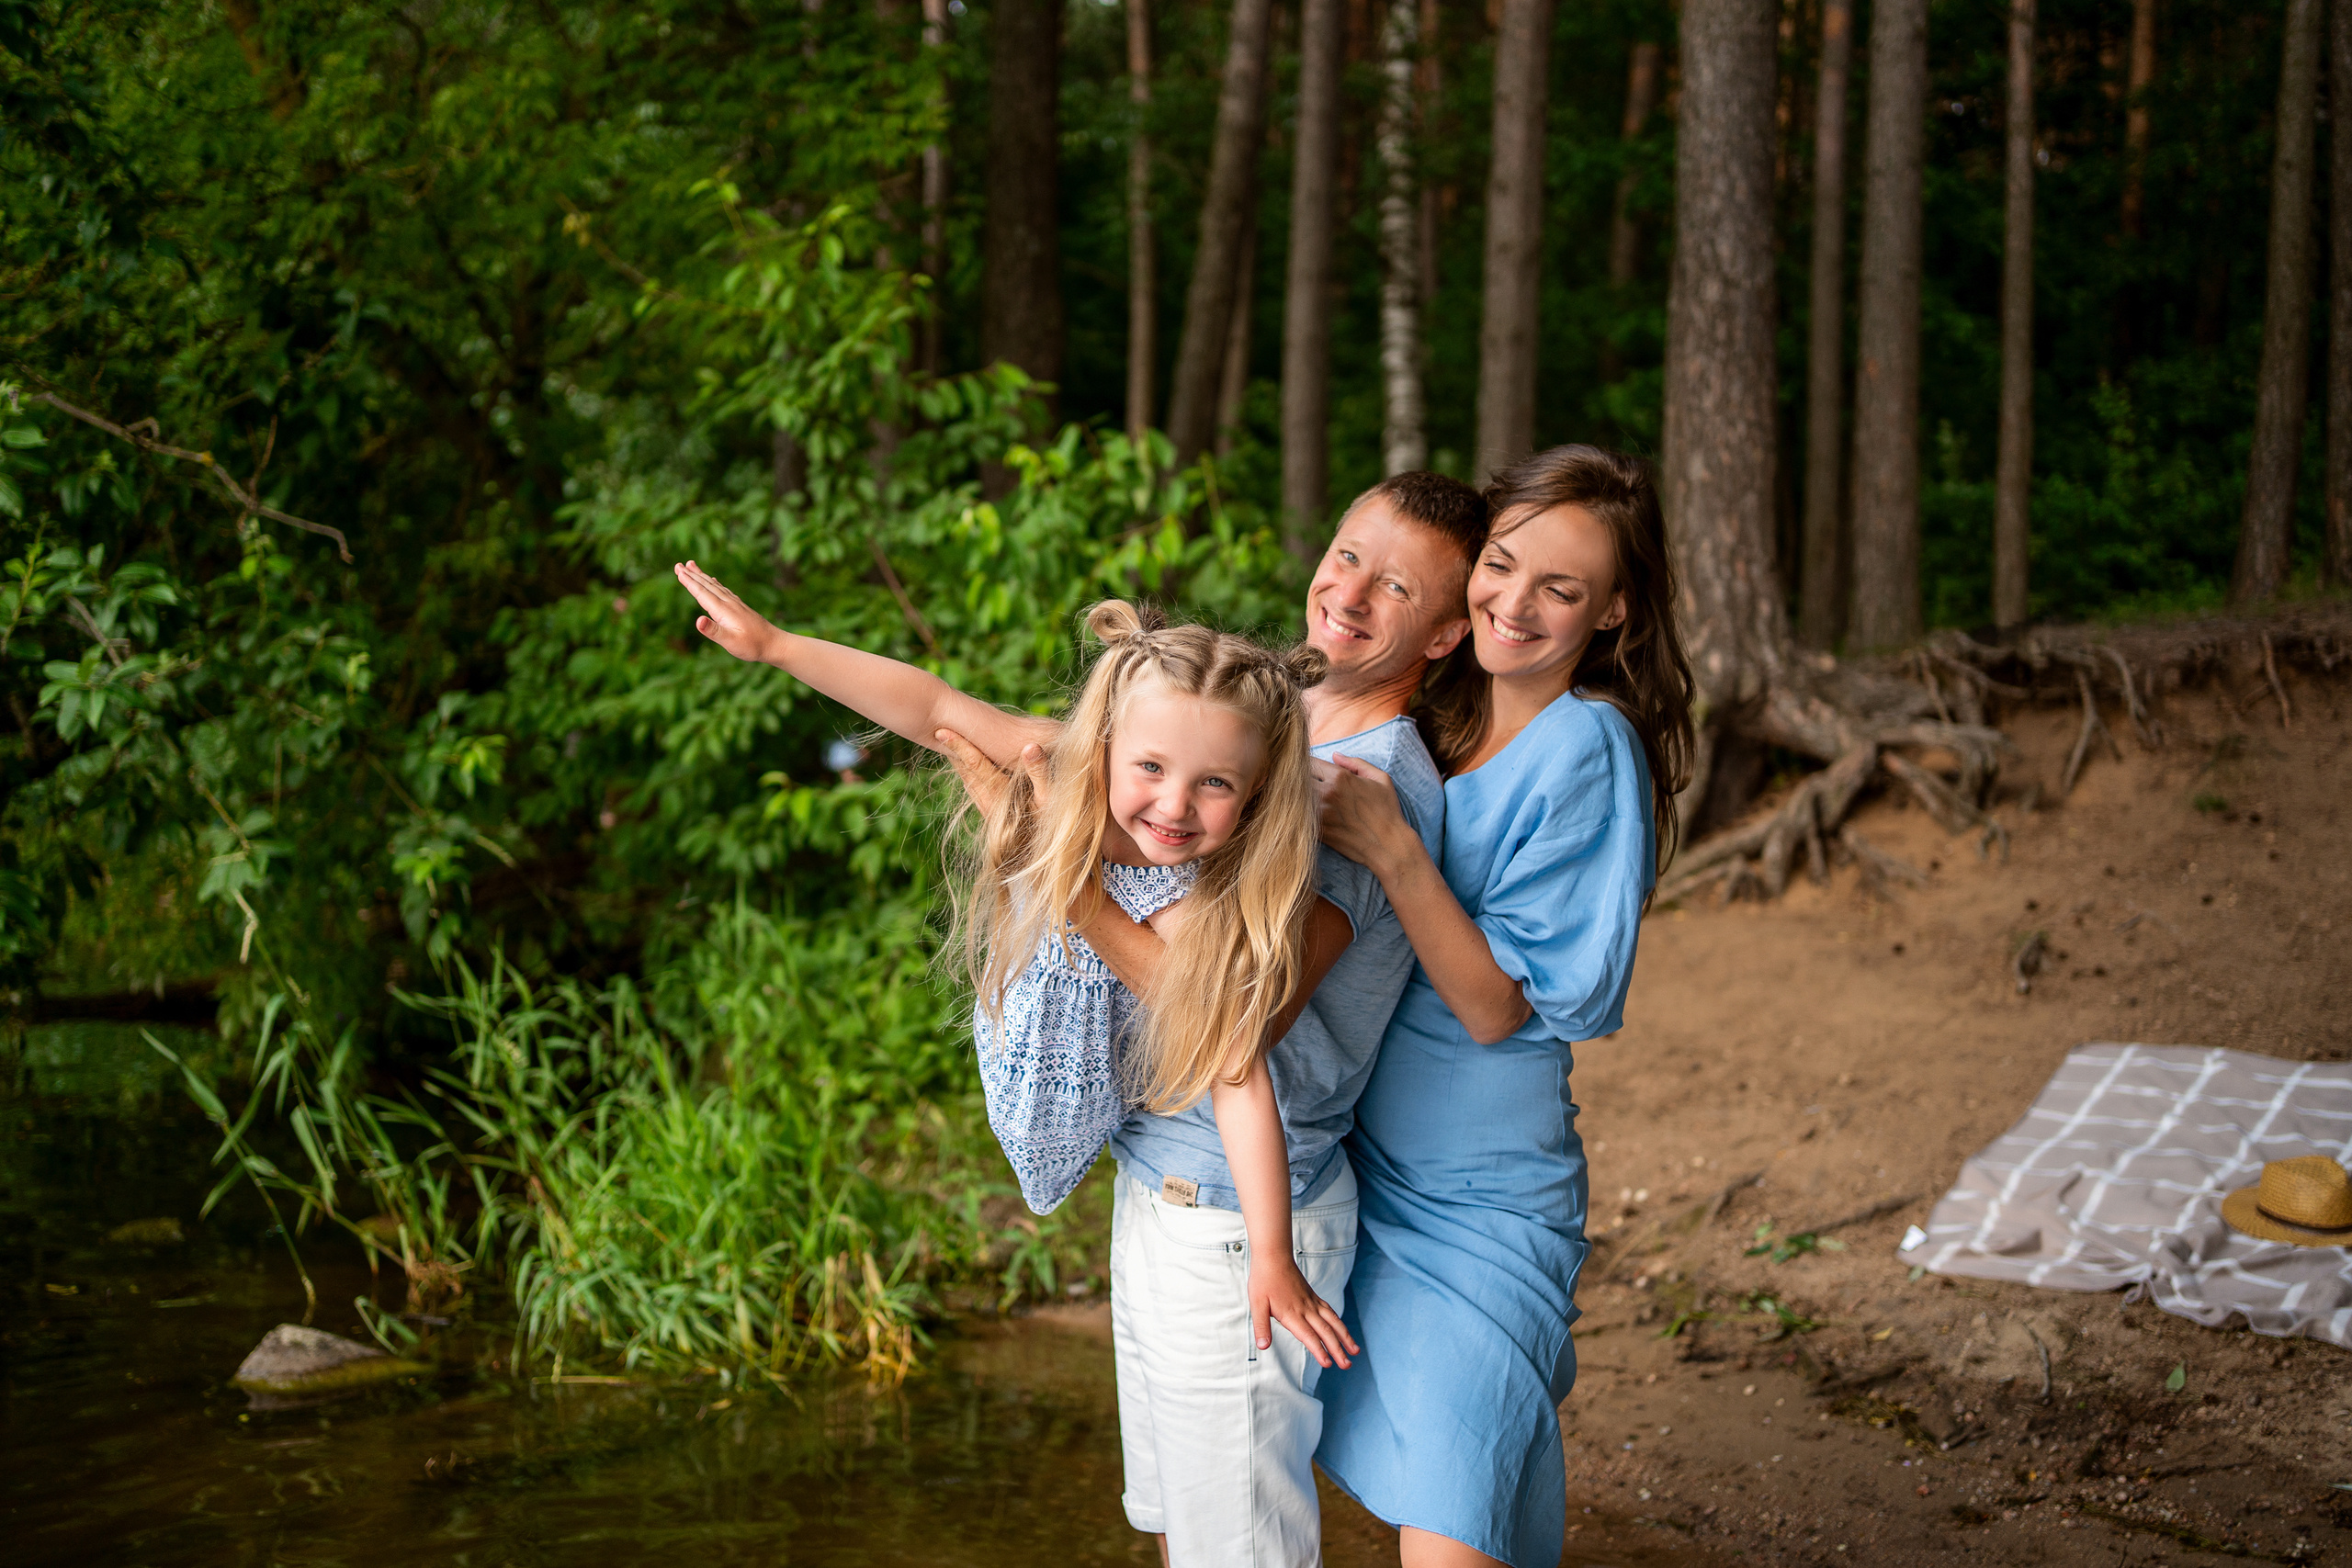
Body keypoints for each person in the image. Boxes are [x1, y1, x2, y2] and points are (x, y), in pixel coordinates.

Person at [669, 570, 1359, 1378]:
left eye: (1214, 783)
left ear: (1254, 791)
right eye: (1151, 769)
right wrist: (778, 647)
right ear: (1106, 742)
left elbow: (1237, 1071)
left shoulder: (1197, 897)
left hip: (1110, 1097)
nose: (1174, 806)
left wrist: (1270, 1255)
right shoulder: (1070, 762)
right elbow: (934, 709)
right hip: (1022, 1049)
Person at [1310, 446, 1697, 1568]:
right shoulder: (1431, 718)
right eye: (1499, 564)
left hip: (1478, 1205)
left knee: (1451, 1533)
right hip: (1363, 1176)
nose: (1513, 605)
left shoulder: (1588, 746)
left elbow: (1495, 1010)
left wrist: (1395, 854)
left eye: (1559, 589)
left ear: (1613, 612)